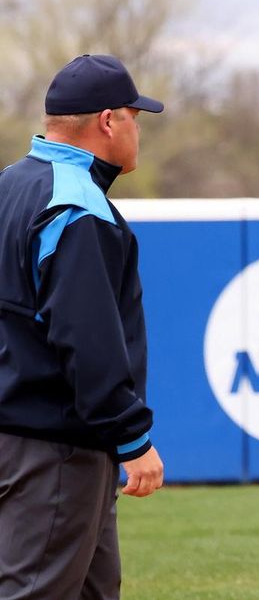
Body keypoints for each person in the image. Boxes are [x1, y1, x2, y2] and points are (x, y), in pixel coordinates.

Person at [0, 54, 166, 598]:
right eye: (135, 117)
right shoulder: (76, 205)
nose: (138, 130)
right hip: (54, 446)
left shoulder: (10, 186)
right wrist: (132, 436)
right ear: (108, 121)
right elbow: (84, 338)